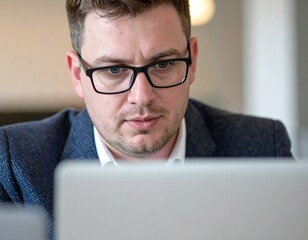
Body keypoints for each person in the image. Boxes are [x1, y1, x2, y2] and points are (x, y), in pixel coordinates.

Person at [0, 0, 292, 239]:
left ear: (193, 61)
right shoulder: (15, 164)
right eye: (114, 70)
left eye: (163, 64)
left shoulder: (264, 147)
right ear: (78, 74)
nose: (142, 96)